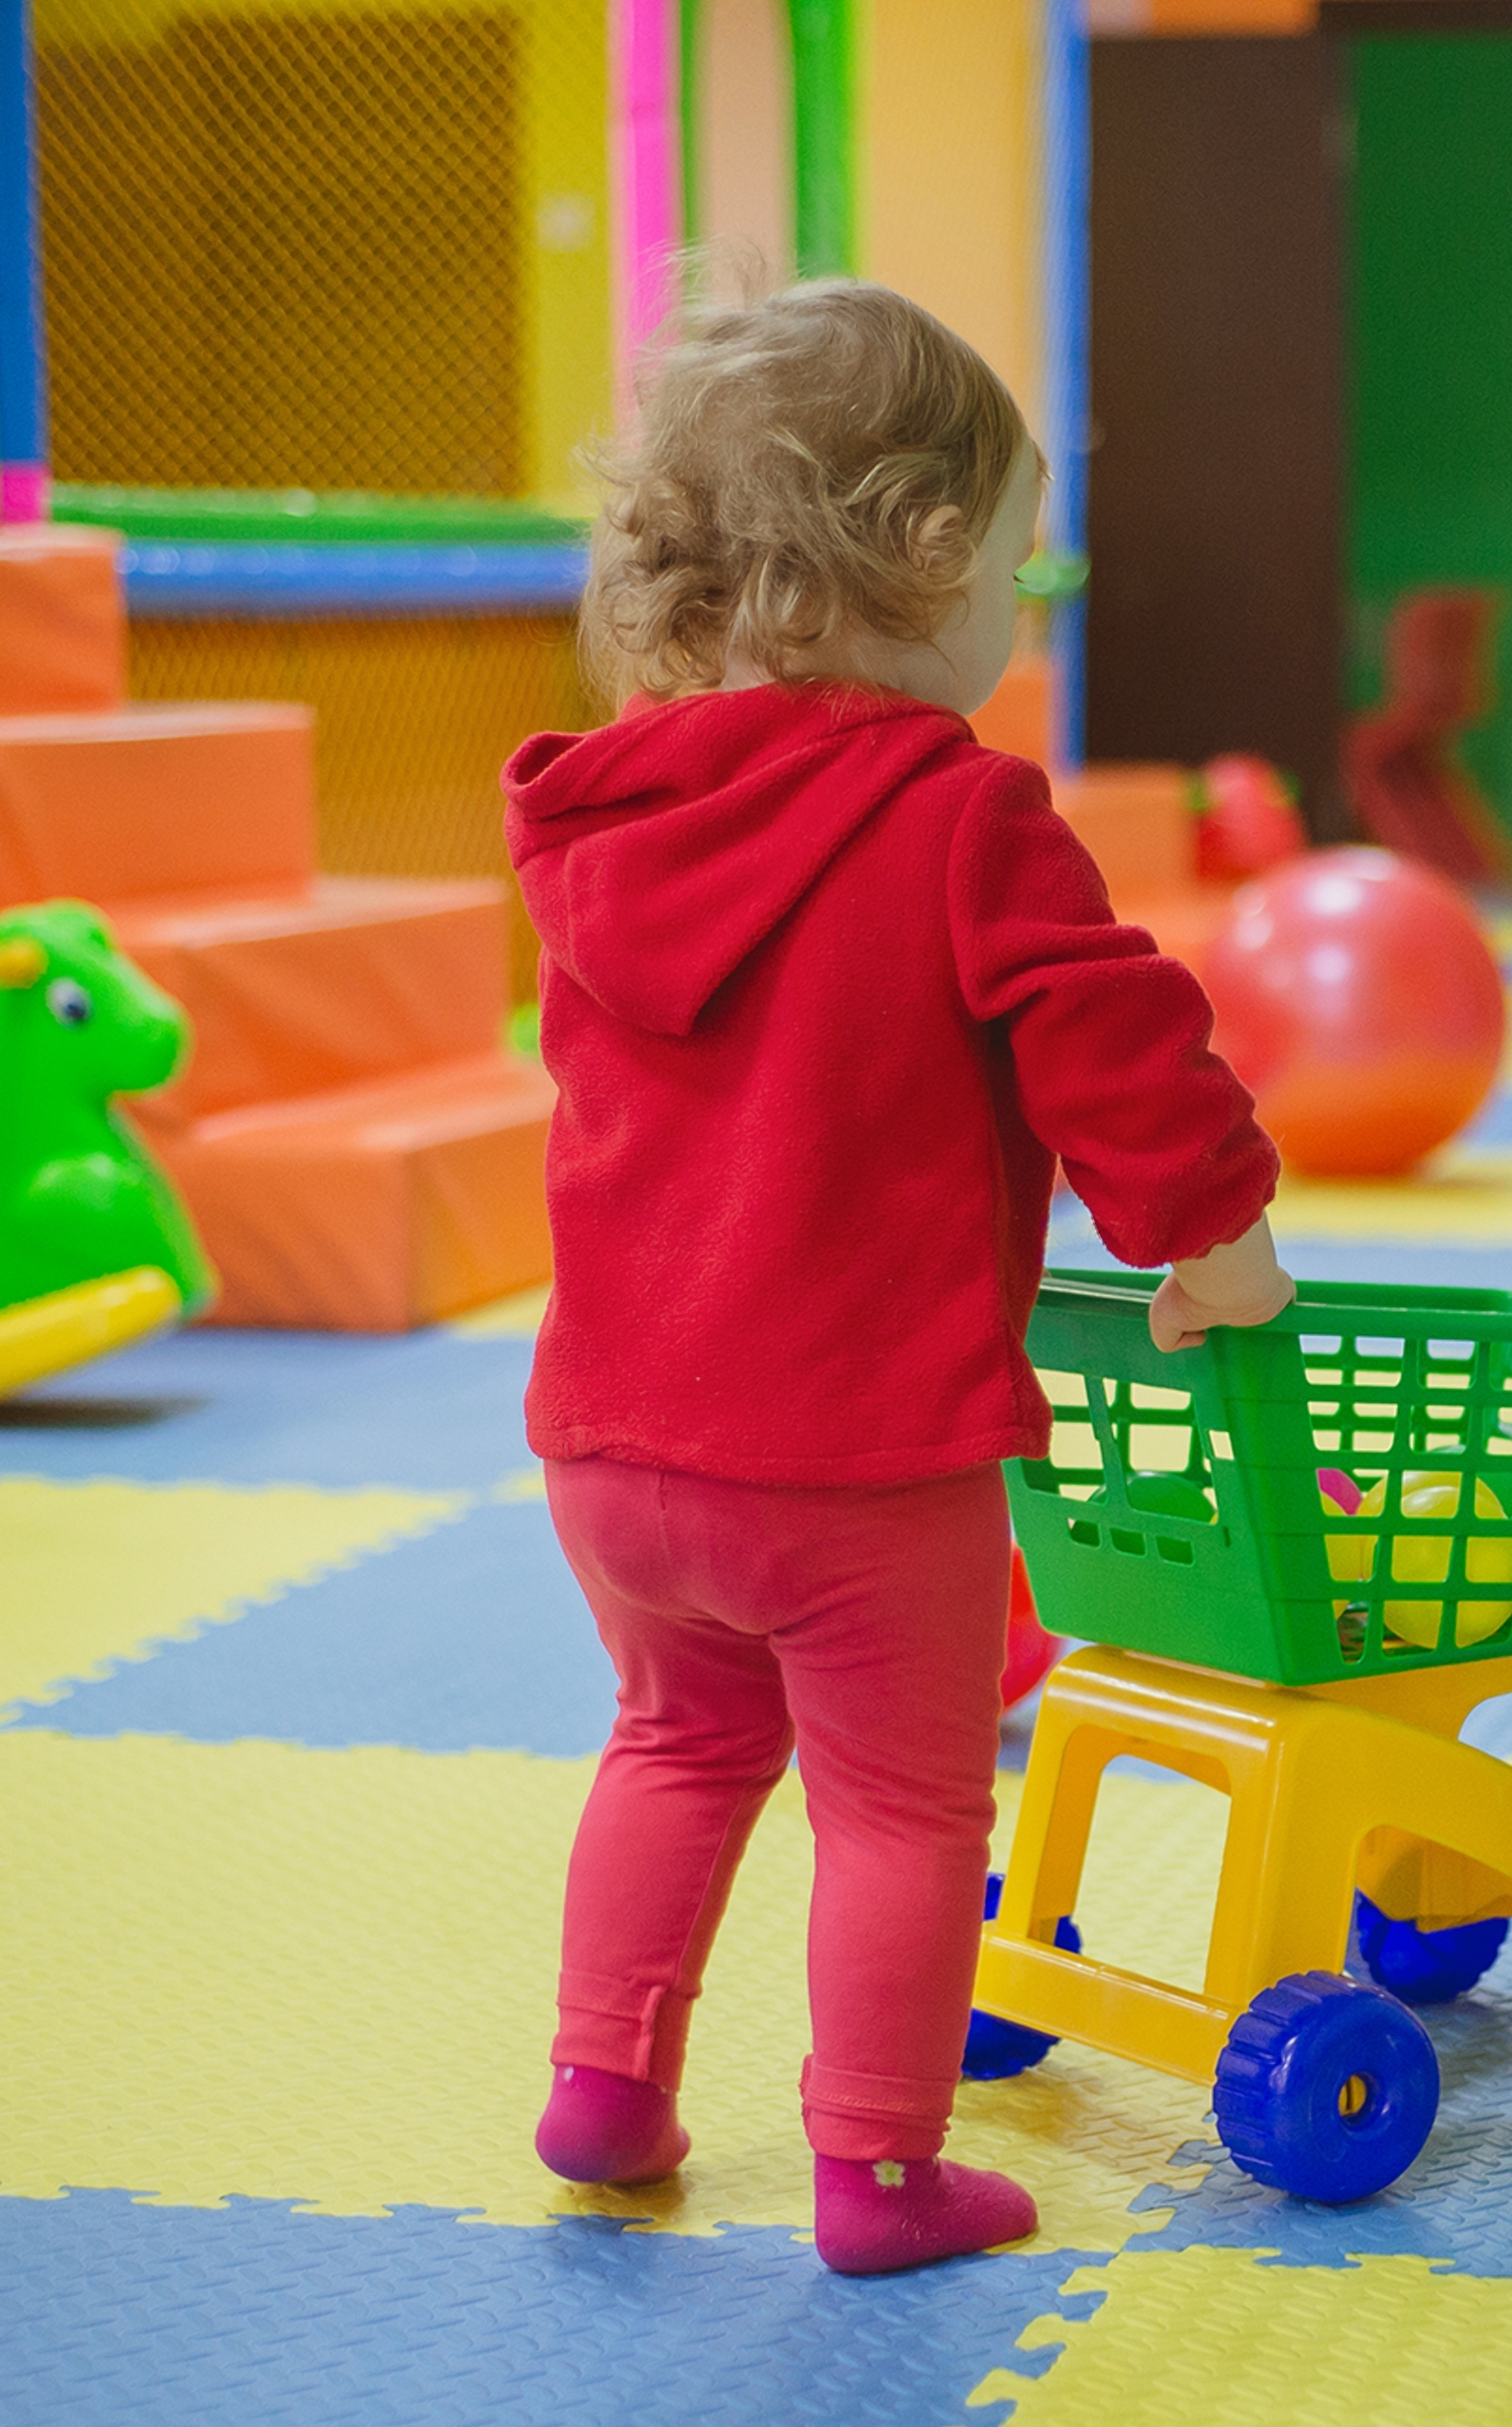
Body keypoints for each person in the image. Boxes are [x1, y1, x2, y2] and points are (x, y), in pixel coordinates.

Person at [504, 277, 1292, 2274]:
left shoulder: (609, 826)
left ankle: (606, 2085)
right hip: (859, 1460)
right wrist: (1215, 1234)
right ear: (925, 554)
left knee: (675, 1743)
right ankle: (875, 2171)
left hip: (611, 1445)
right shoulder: (955, 815)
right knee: (906, 1814)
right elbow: (1115, 1037)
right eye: (1019, 570)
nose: (1022, 617)